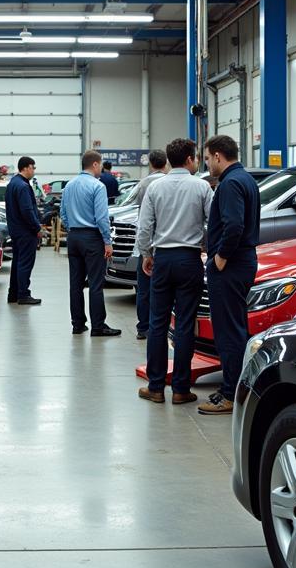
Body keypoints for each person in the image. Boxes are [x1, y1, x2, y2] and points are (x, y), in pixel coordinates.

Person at [134, 139, 212, 405]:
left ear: (168, 160)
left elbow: (144, 226)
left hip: (162, 259)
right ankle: (180, 388)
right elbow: (213, 223)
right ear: (190, 159)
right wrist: (205, 247)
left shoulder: (156, 187)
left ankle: (156, 387)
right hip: (189, 259)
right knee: (185, 323)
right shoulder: (202, 186)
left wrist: (146, 254)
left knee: (158, 322)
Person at [199, 135, 261, 415]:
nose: (207, 163)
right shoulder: (245, 179)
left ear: (219, 156)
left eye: (208, 157)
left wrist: (220, 258)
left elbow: (234, 225)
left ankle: (230, 394)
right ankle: (235, 387)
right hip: (242, 262)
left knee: (229, 331)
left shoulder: (231, 184)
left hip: (232, 264)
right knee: (235, 327)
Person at [59, 151, 121, 337]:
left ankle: (77, 324)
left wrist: (73, 229)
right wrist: (107, 241)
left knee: (75, 283)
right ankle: (98, 326)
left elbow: (62, 213)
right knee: (95, 283)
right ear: (95, 164)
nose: (101, 168)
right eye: (100, 164)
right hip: (92, 238)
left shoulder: (69, 186)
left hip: (74, 237)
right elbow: (102, 218)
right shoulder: (98, 186)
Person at [130, 150, 169, 339]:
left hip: (146, 245)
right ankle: (159, 326)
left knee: (143, 289)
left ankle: (142, 327)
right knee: (163, 290)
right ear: (165, 163)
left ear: (151, 164)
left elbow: (141, 213)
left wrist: (144, 249)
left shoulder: (144, 183)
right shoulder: (168, 182)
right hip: (164, 244)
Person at [5, 156, 43, 305]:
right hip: (26, 232)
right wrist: (37, 227)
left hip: (16, 231)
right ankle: (23, 294)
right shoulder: (22, 186)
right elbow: (27, 210)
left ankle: (13, 293)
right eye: (33, 167)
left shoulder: (13, 183)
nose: (34, 171)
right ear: (26, 167)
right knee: (25, 263)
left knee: (17, 263)